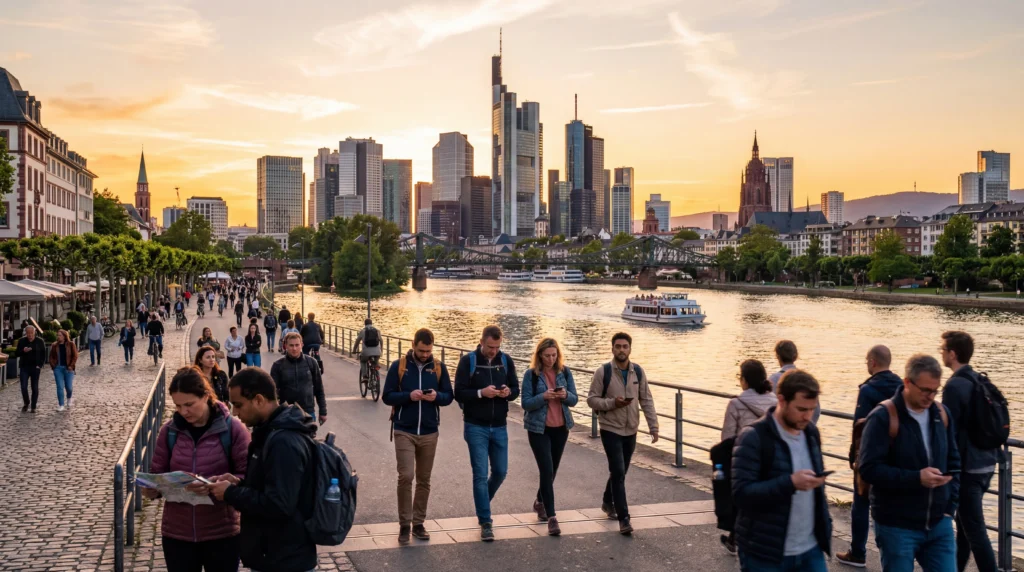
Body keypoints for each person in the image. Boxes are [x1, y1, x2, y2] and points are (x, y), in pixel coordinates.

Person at [207, 368, 319, 572]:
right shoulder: (269, 433)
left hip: (285, 559)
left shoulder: (283, 441)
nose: (234, 413)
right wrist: (238, 483)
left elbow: (279, 504)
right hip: (274, 555)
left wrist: (231, 493)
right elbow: (269, 487)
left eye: (238, 405)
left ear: (258, 400)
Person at [858, 354, 960, 572]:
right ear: (907, 383)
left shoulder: (941, 414)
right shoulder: (883, 417)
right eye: (925, 390)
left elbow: (954, 460)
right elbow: (868, 469)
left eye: (935, 390)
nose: (930, 396)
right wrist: (916, 478)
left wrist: (950, 507)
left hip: (939, 523)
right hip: (897, 525)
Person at [148, 367, 250, 572]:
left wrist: (227, 483)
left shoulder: (233, 429)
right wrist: (152, 487)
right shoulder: (169, 432)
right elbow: (154, 478)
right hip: (178, 534)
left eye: (189, 404)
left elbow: (249, 476)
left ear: (205, 396)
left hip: (222, 533)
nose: (183, 412)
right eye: (178, 406)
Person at [732, 370, 832, 572]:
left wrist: (825, 524)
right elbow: (741, 494)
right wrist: (790, 483)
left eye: (812, 409)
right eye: (802, 409)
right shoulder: (753, 437)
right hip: (765, 553)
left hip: (811, 549)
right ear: (781, 400)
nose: (807, 416)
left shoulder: (811, 433)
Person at [381, 328, 454, 544]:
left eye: (428, 351)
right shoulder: (399, 366)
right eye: (421, 350)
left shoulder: (438, 367)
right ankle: (405, 525)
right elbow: (387, 396)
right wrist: (408, 396)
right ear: (413, 345)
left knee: (424, 479)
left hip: (430, 431)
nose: (425, 355)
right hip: (404, 429)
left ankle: (418, 523)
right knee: (406, 476)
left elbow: (449, 396)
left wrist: (436, 397)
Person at [586, 332, 659, 535]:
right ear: (612, 348)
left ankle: (607, 501)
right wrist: (612, 403)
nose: (621, 350)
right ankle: (624, 518)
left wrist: (654, 426)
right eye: (617, 346)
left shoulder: (638, 372)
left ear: (630, 349)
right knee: (618, 471)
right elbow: (592, 400)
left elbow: (646, 400)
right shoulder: (604, 372)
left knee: (621, 471)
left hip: (631, 429)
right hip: (610, 428)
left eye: (625, 346)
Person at [837, 345, 902, 567]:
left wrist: (853, 457)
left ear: (873, 362)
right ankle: (895, 555)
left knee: (861, 502)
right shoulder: (902, 387)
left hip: (870, 457)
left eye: (867, 361)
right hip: (897, 457)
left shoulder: (867, 390)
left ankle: (858, 552)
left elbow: (859, 428)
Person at [453, 325, 519, 541]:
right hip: (475, 426)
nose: (493, 351)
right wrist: (482, 393)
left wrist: (508, 393)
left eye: (497, 347)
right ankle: (486, 521)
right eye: (490, 347)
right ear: (481, 342)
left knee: (500, 471)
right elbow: (459, 393)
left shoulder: (506, 361)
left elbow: (516, 389)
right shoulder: (468, 361)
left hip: (500, 425)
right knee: (480, 474)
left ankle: (483, 503)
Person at [939, 331, 998, 572]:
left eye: (943, 349)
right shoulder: (979, 379)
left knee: (974, 530)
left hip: (968, 468)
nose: (941, 353)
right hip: (987, 462)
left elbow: (948, 432)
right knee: (964, 527)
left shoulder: (954, 386)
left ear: (952, 354)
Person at [716, 358, 778, 554]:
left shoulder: (737, 403)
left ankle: (738, 538)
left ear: (745, 379)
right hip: (770, 458)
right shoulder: (776, 401)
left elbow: (727, 437)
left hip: (744, 458)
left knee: (741, 500)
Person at [520, 338, 578, 536]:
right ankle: (552, 517)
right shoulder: (532, 375)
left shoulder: (565, 372)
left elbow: (575, 399)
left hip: (561, 428)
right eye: (547, 356)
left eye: (554, 355)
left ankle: (539, 501)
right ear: (539, 356)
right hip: (538, 429)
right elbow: (526, 403)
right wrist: (543, 397)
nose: (551, 359)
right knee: (546, 469)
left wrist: (564, 396)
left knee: (552, 470)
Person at [271, 332, 327, 425]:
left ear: (302, 345)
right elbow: (273, 393)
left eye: (297, 345)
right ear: (285, 346)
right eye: (291, 345)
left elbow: (319, 388)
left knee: (308, 439)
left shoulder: (311, 363)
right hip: (286, 412)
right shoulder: (278, 366)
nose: (294, 348)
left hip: (307, 411)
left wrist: (323, 411)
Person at [769, 340, 820, 423]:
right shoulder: (808, 380)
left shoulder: (773, 380)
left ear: (778, 357)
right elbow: (816, 411)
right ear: (795, 356)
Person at [17, 325, 47, 412]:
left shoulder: (40, 341)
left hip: (35, 367)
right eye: (28, 333)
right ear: (25, 333)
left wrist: (40, 365)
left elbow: (43, 354)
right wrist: (23, 351)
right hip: (24, 367)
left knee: (34, 387)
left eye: (31, 333)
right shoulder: (22, 341)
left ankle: (33, 406)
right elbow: (17, 353)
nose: (30, 335)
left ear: (34, 333)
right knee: (23, 387)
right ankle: (26, 402)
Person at [48, 329, 79, 412]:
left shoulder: (71, 344)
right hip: (58, 368)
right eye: (57, 335)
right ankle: (61, 404)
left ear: (64, 336)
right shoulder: (55, 345)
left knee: (69, 387)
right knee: (60, 387)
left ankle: (69, 398)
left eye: (60, 335)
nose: (58, 337)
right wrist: (53, 366)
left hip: (68, 369)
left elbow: (75, 356)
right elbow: (51, 357)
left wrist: (71, 366)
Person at [351, 318, 382, 382]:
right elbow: (381, 340)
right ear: (371, 323)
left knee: (363, 361)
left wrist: (354, 350)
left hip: (366, 353)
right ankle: (376, 368)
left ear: (365, 324)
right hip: (377, 352)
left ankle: (365, 376)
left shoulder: (363, 331)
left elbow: (357, 341)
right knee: (376, 360)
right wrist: (381, 350)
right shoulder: (377, 330)